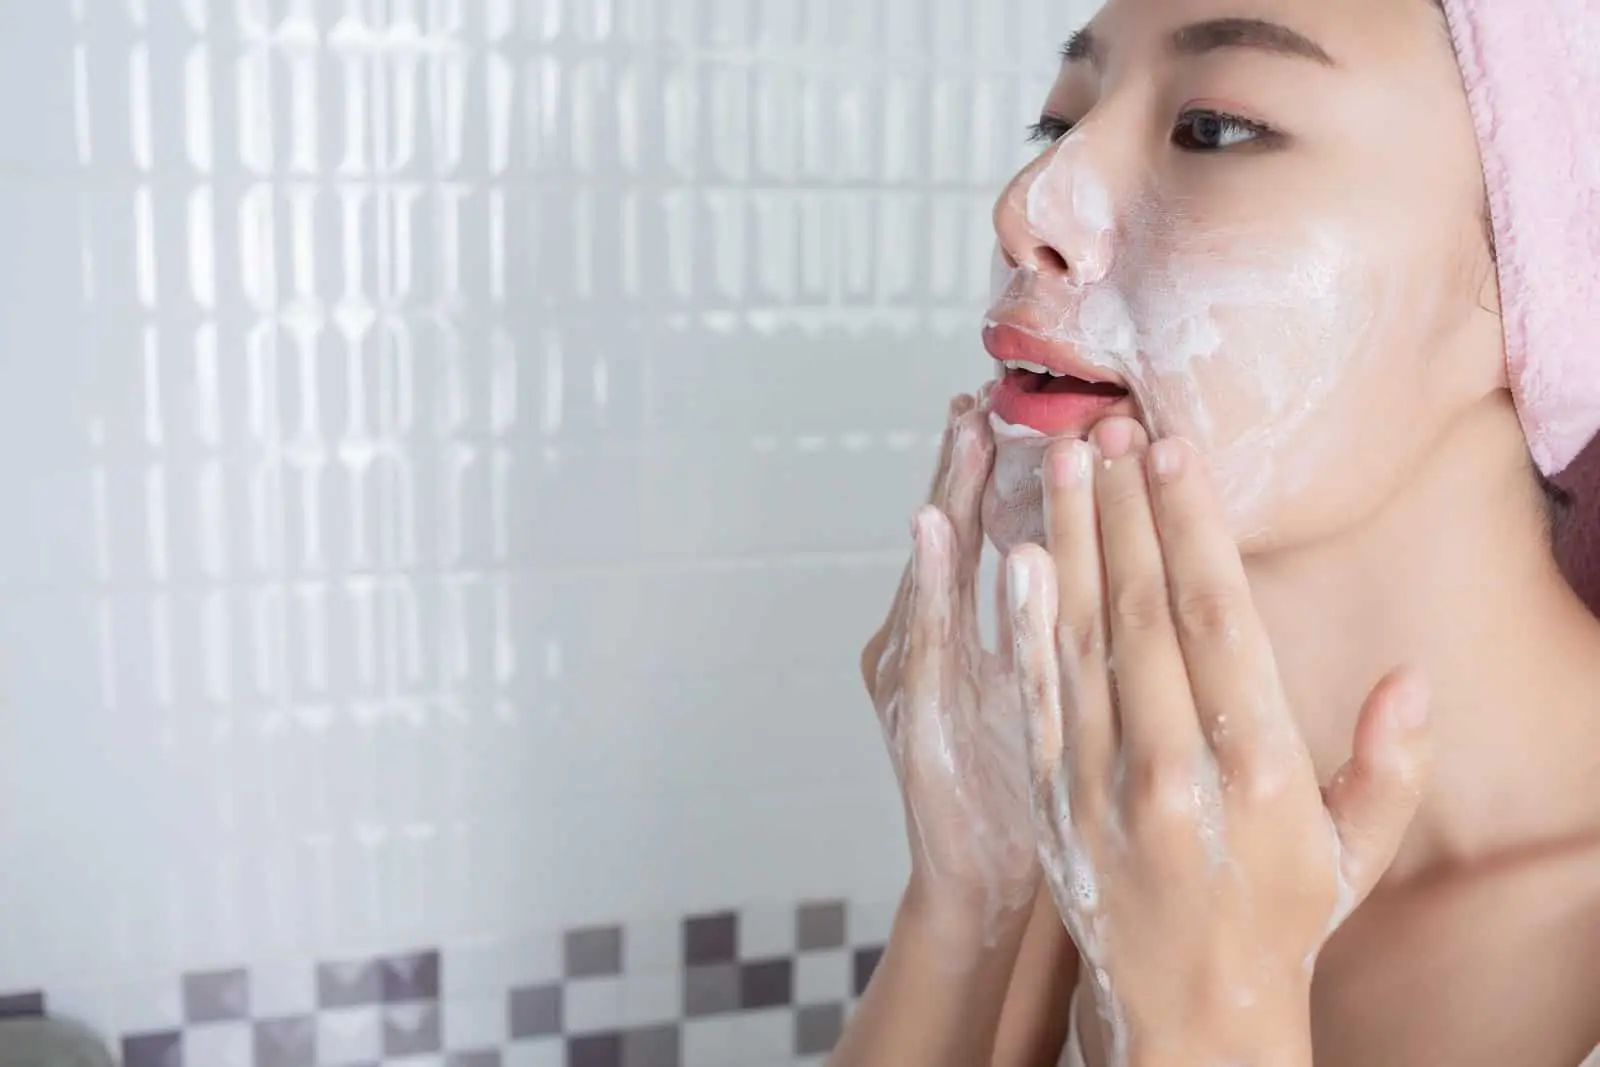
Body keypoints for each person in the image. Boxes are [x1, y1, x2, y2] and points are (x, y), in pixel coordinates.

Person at [831, 0, 1600, 1065]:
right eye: (1057, 127)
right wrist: (967, 902)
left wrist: (1209, 1023)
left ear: (1547, 276)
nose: (1026, 207)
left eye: (1214, 128)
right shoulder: (1129, 822)